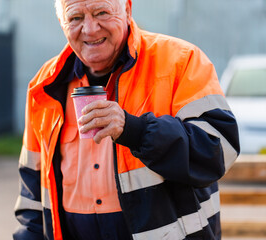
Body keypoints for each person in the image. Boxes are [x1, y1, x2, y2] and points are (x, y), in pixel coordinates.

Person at [13, 0, 240, 239]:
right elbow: (32, 197)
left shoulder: (181, 61)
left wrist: (136, 131)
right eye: (76, 18)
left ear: (128, 10)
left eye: (101, 12)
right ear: (62, 23)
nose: (90, 29)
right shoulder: (45, 86)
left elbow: (219, 150)